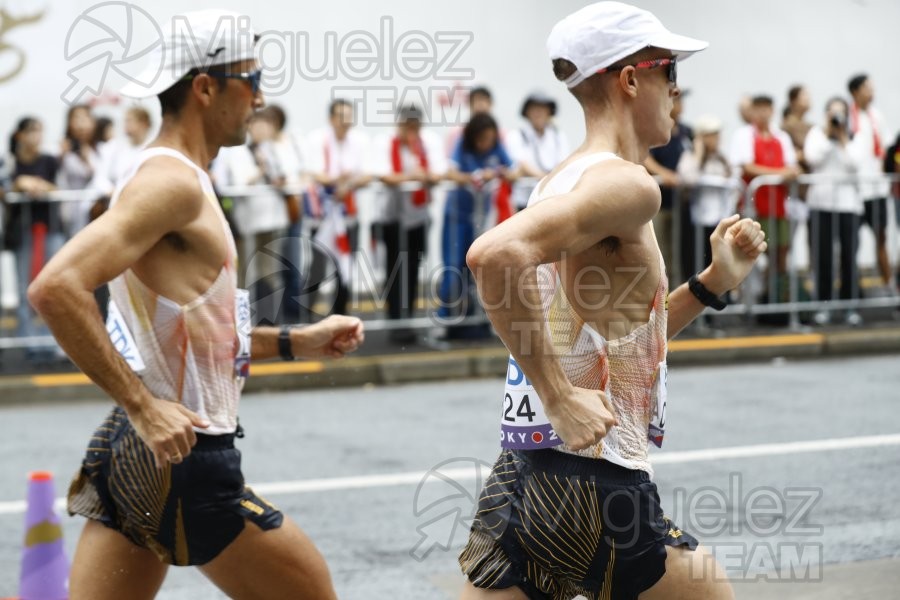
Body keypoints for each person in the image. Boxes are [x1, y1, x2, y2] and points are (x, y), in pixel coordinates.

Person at [27, 10, 363, 598]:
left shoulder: (182, 178)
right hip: (183, 455)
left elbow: (186, 327)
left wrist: (293, 340)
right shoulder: (172, 183)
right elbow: (55, 288)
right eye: (252, 79)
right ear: (206, 87)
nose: (260, 97)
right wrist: (142, 405)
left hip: (139, 452)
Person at [458, 3, 766, 599]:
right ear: (630, 79)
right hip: (597, 483)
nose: (677, 89)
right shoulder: (629, 186)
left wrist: (709, 285)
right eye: (668, 71)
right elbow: (492, 257)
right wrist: (560, 398)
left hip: (527, 477)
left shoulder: (562, 179)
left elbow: (616, 338)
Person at [373, 104, 446, 341]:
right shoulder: (385, 143)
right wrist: (413, 176)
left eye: (416, 127)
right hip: (392, 218)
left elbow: (438, 172)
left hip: (418, 218)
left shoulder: (427, 143)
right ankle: (395, 321)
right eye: (407, 126)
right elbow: (384, 175)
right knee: (395, 269)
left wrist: (421, 175)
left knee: (413, 269)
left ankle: (409, 319)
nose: (411, 132)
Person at [440, 112, 515, 338]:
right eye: (482, 139)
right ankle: (448, 319)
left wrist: (498, 173)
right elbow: (451, 172)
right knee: (454, 268)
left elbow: (513, 170)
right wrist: (471, 177)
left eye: (489, 139)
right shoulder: (462, 145)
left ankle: (480, 318)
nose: (485, 144)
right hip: (458, 216)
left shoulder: (496, 148)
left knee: (481, 268)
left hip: (482, 218)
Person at [304, 99, 371, 318]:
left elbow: (367, 174)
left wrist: (348, 183)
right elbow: (313, 172)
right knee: (317, 266)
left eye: (349, 116)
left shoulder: (359, 141)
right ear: (331, 118)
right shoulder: (317, 140)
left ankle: (340, 314)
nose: (346, 122)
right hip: (323, 215)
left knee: (346, 264)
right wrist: (337, 180)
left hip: (348, 214)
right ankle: (306, 315)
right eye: (341, 116)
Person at [728, 94, 799, 302]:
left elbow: (792, 167)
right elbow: (747, 167)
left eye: (767, 108)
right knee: (749, 252)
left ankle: (772, 297)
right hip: (754, 206)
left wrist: (785, 173)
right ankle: (745, 299)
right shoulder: (744, 135)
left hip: (778, 205)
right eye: (758, 108)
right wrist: (779, 174)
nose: (763, 113)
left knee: (780, 253)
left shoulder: (781, 137)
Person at [804, 97, 863, 325]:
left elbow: (855, 163)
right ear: (826, 114)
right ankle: (824, 305)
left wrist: (842, 139)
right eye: (833, 113)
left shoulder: (854, 136)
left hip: (848, 206)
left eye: (841, 113)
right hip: (821, 205)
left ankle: (850, 306)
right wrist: (830, 136)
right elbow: (812, 158)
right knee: (823, 258)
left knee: (849, 256)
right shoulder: (817, 134)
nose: (838, 117)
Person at [677, 115, 739, 275]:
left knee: (720, 266)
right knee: (698, 266)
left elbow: (736, 183)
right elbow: (688, 178)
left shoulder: (722, 159)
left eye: (717, 134)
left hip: (720, 221)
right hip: (697, 224)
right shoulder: (690, 156)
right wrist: (698, 153)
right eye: (712, 134)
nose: (717, 139)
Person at [847, 73, 892, 290]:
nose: (871, 92)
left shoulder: (877, 116)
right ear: (855, 91)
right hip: (855, 191)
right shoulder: (847, 117)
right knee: (851, 244)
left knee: (881, 237)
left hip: (876, 189)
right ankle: (854, 288)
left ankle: (889, 286)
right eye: (867, 88)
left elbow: (884, 149)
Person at [644, 89, 692, 283]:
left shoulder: (687, 131)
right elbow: (646, 158)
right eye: (676, 100)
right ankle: (661, 305)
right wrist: (665, 175)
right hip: (660, 203)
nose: (680, 105)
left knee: (681, 256)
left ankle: (677, 302)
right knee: (660, 253)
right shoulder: (653, 128)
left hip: (681, 204)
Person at [507, 91, 570, 211]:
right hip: (524, 201)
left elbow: (563, 163)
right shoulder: (516, 135)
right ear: (527, 112)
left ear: (549, 112)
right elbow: (522, 164)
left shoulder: (558, 136)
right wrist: (547, 178)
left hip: (552, 198)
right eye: (534, 109)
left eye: (542, 109)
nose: (538, 113)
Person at [58, 104, 99, 236]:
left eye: (85, 118)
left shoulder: (102, 149)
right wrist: (60, 156)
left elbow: (100, 176)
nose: (81, 124)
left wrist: (87, 160)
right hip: (69, 214)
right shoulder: (63, 150)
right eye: (76, 118)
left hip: (95, 212)